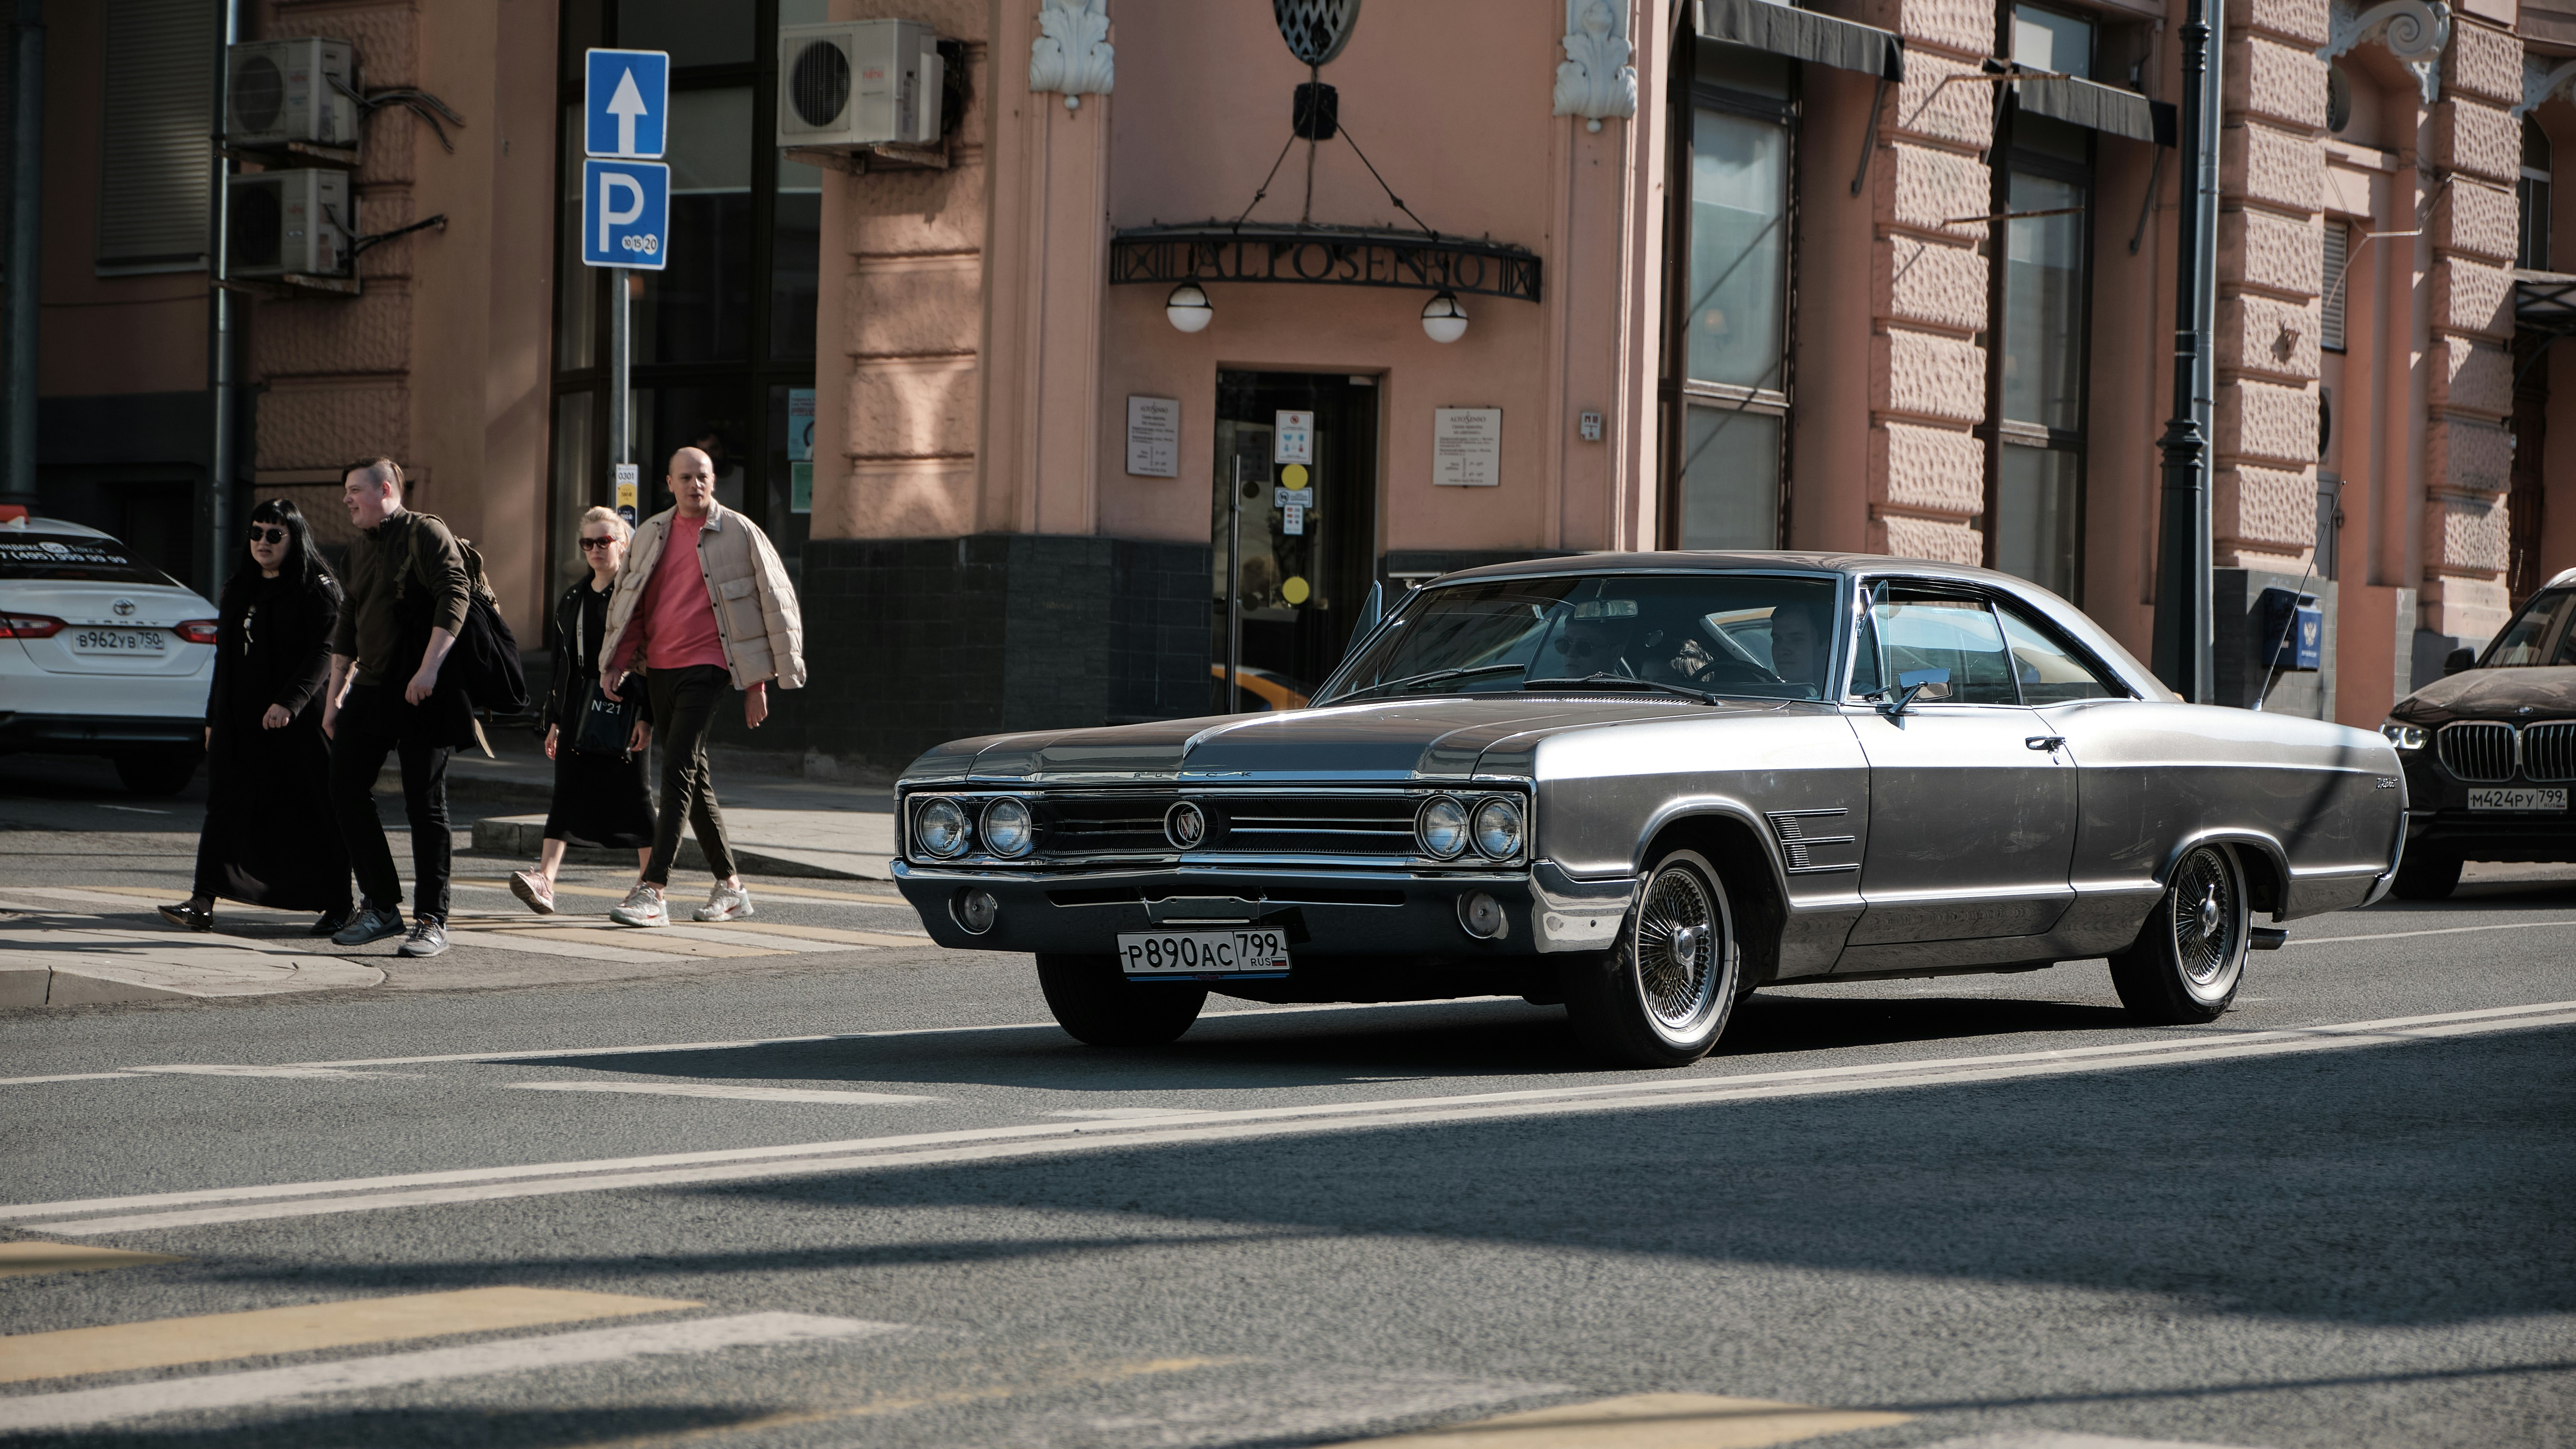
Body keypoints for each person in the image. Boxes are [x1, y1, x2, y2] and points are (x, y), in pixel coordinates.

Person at [598, 446, 805, 927]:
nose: (695, 485)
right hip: (662, 670)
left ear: (714, 481)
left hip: (710, 667)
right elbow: (631, 603)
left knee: (676, 772)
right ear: (669, 483)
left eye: (703, 477)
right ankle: (731, 888)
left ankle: (653, 890)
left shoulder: (740, 532)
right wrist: (617, 662)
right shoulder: (650, 533)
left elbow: (774, 605)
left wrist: (758, 683)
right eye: (685, 477)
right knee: (696, 778)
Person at [159, 501, 355, 935]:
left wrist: (290, 702)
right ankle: (202, 900)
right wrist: (213, 717)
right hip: (239, 719)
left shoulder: (316, 587)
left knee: (315, 809)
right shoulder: (240, 587)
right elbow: (225, 658)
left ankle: (340, 904)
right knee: (226, 805)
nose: (262, 543)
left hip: (298, 721)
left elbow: (326, 651)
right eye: (256, 533)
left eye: (274, 535)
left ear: (294, 538)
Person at [321, 456, 477, 958]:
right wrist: (334, 695)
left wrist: (429, 669)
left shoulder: (426, 533)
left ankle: (432, 918)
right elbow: (349, 618)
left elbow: (457, 593)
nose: (346, 499)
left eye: (354, 490)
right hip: (371, 685)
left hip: (421, 686)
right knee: (345, 787)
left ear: (384, 488)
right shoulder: (356, 550)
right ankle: (382, 906)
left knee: (424, 805)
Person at [511, 507, 655, 912]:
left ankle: (650, 884)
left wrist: (647, 716)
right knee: (567, 791)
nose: (595, 549)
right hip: (577, 709)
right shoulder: (573, 597)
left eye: (604, 541)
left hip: (625, 708)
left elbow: (649, 659)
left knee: (635, 796)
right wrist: (554, 719)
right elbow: (561, 664)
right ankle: (545, 880)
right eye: (587, 543)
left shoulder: (636, 597)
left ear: (623, 543)